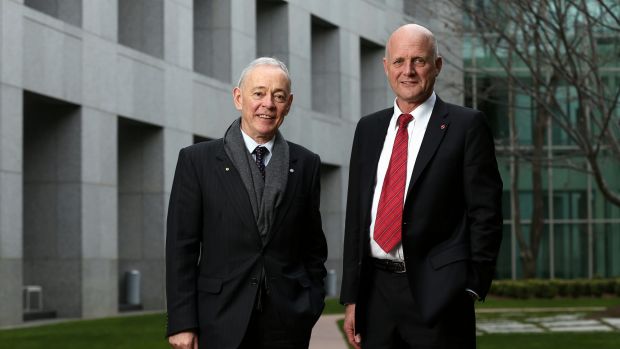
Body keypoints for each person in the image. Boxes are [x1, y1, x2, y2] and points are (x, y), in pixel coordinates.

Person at [340, 24, 503, 349]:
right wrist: (351, 297)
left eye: (419, 61)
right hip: (376, 294)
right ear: (386, 67)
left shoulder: (466, 126)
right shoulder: (368, 129)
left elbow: (486, 213)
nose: (408, 71)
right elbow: (357, 216)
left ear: (437, 65)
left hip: (439, 296)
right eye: (399, 61)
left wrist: (470, 285)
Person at [166, 57, 328, 349]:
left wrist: (310, 303)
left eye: (278, 96)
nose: (268, 103)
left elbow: (313, 247)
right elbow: (181, 249)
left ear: (288, 104)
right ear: (238, 98)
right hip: (219, 319)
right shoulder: (197, 161)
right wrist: (182, 322)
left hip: (287, 323)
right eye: (259, 93)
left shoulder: (306, 164)